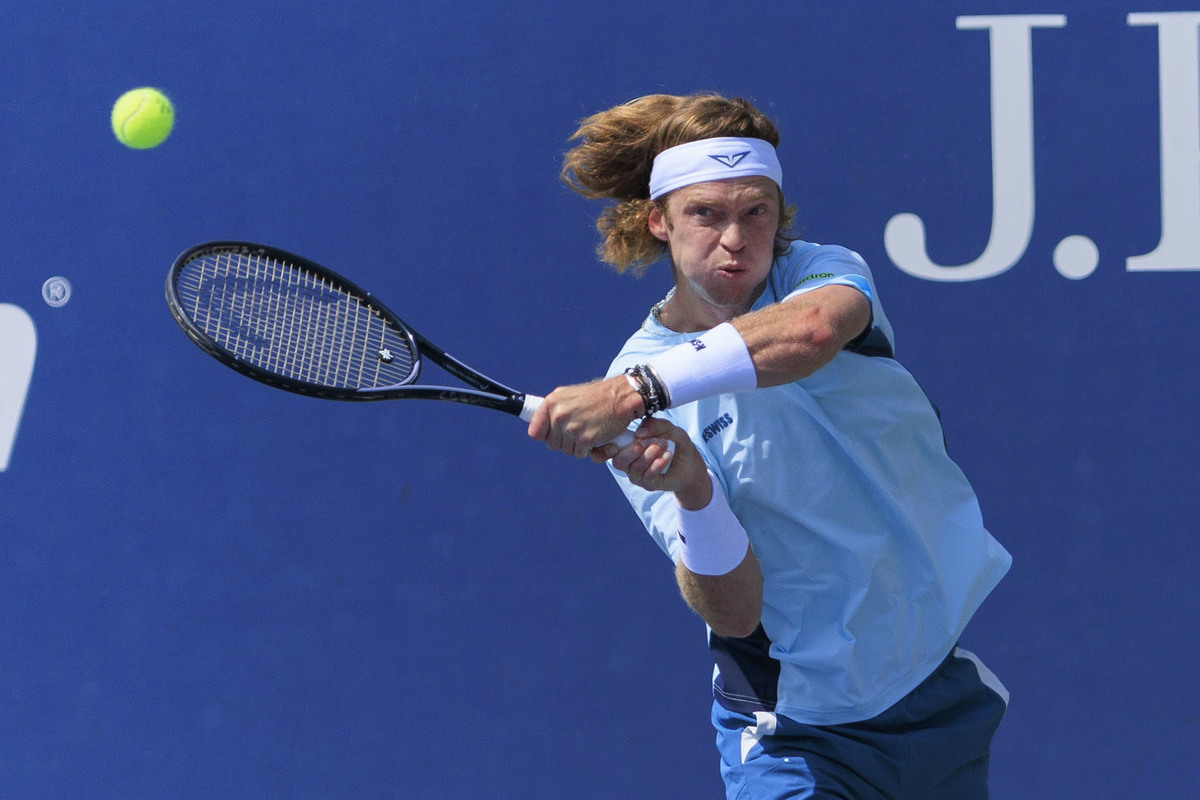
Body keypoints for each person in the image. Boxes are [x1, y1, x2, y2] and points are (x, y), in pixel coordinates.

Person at [527, 92, 1012, 799]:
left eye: (756, 211)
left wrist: (634, 393)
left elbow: (811, 334)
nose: (735, 237)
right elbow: (734, 613)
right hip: (794, 733)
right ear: (657, 220)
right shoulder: (629, 384)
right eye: (706, 213)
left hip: (934, 691)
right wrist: (693, 487)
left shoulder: (817, 273)